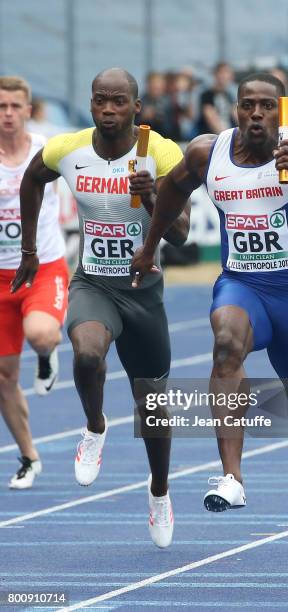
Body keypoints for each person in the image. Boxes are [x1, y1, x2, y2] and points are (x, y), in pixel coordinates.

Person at [131, 72, 288, 513]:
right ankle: (232, 476)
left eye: (267, 106)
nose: (256, 114)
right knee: (225, 343)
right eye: (247, 105)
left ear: (282, 109)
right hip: (242, 284)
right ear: (235, 109)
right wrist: (149, 246)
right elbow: (173, 192)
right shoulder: (206, 152)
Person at [11, 68, 190, 548]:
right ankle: (94, 427)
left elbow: (182, 234)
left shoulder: (163, 152)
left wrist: (154, 198)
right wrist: (30, 250)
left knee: (152, 405)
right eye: (99, 101)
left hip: (144, 291)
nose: (108, 110)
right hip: (94, 283)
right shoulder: (67, 149)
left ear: (136, 107)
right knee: (87, 352)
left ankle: (158, 493)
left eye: (118, 102)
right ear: (90, 104)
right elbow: (32, 179)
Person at [0, 76, 68, 489]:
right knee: (5, 377)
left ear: (28, 110)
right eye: (0, 107)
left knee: (42, 333)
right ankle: (29, 457)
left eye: (14, 106)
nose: (7, 114)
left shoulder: (49, 151)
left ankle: (46, 355)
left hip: (42, 269)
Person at [196, 62, 237, 135]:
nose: (224, 76)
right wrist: (227, 138)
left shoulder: (229, 96)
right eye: (222, 72)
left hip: (228, 137)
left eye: (227, 73)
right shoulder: (207, 95)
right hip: (212, 139)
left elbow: (237, 115)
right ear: (215, 75)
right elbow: (211, 118)